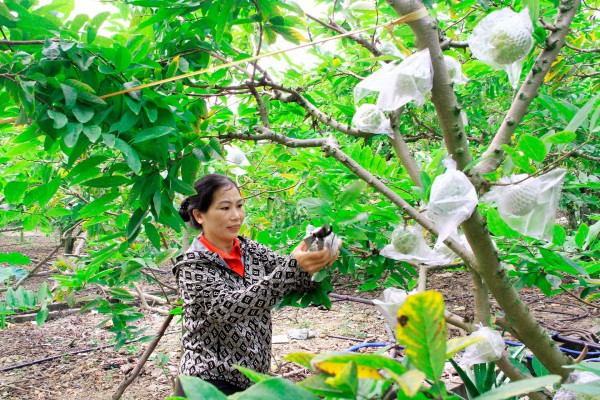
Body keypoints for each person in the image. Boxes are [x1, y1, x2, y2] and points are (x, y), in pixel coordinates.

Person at [173, 174, 341, 395]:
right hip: (207, 381)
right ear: (199, 215)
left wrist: (316, 251)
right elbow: (228, 308)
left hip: (252, 381)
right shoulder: (192, 266)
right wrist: (293, 266)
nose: (236, 216)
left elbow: (297, 280)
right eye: (225, 208)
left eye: (239, 206)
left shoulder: (251, 250)